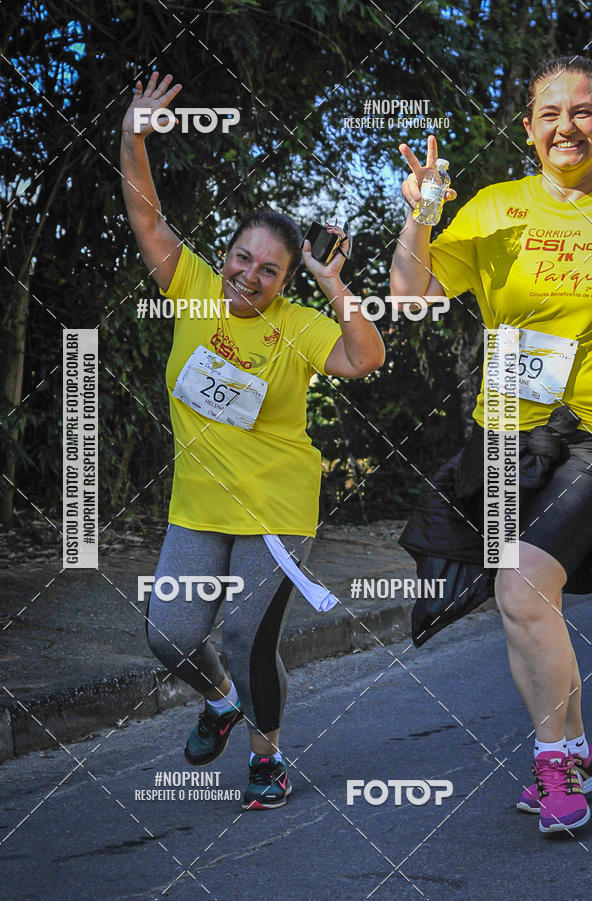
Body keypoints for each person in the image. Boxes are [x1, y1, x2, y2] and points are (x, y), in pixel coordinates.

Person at [120, 72, 385, 810]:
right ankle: (221, 701)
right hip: (198, 506)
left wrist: (335, 290)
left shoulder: (297, 326)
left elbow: (364, 357)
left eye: (268, 268)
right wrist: (133, 135)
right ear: (226, 252)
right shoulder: (197, 288)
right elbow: (147, 216)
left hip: (275, 509)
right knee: (170, 637)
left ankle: (267, 757)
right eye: (242, 256)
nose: (248, 274)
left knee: (245, 634)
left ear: (281, 280)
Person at [390, 55, 592, 835]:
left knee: (519, 585)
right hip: (504, 439)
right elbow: (411, 295)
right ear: (529, 129)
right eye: (551, 113)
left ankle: (560, 761)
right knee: (522, 608)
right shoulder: (495, 208)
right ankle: (563, 752)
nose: (567, 126)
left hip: (587, 439)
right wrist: (423, 212)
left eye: (582, 110)